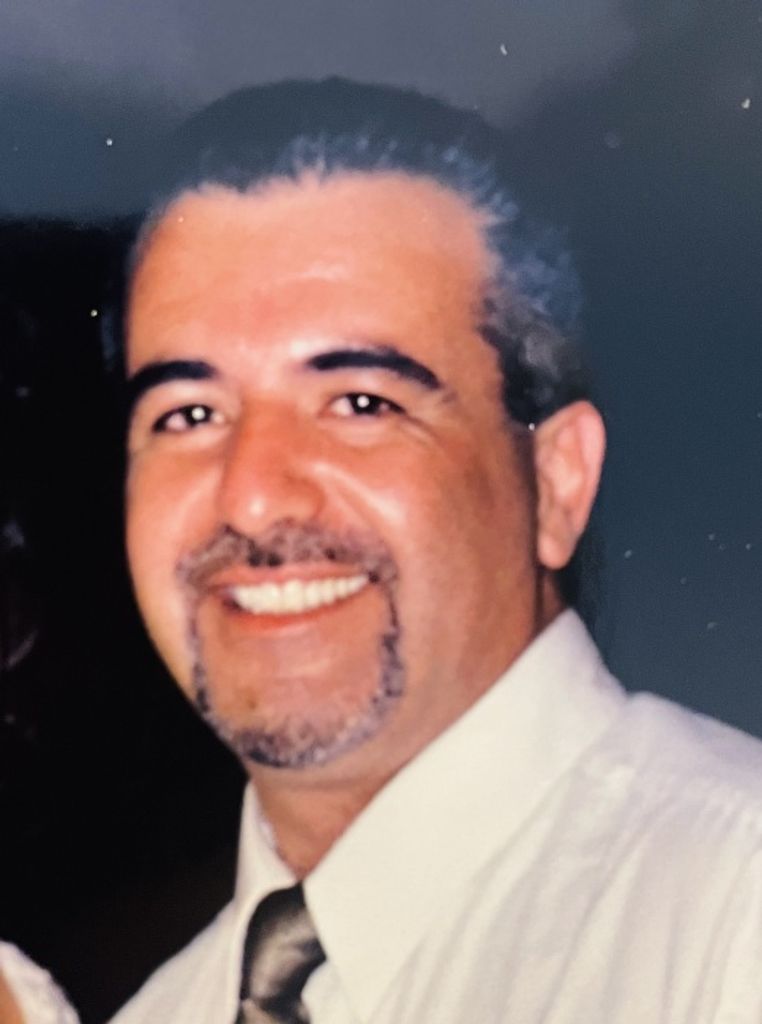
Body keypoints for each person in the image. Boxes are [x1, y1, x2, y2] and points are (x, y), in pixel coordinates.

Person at [109, 79, 762, 1023]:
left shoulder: (732, 920)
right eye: (189, 414)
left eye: (361, 403)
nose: (251, 492)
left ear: (557, 483)